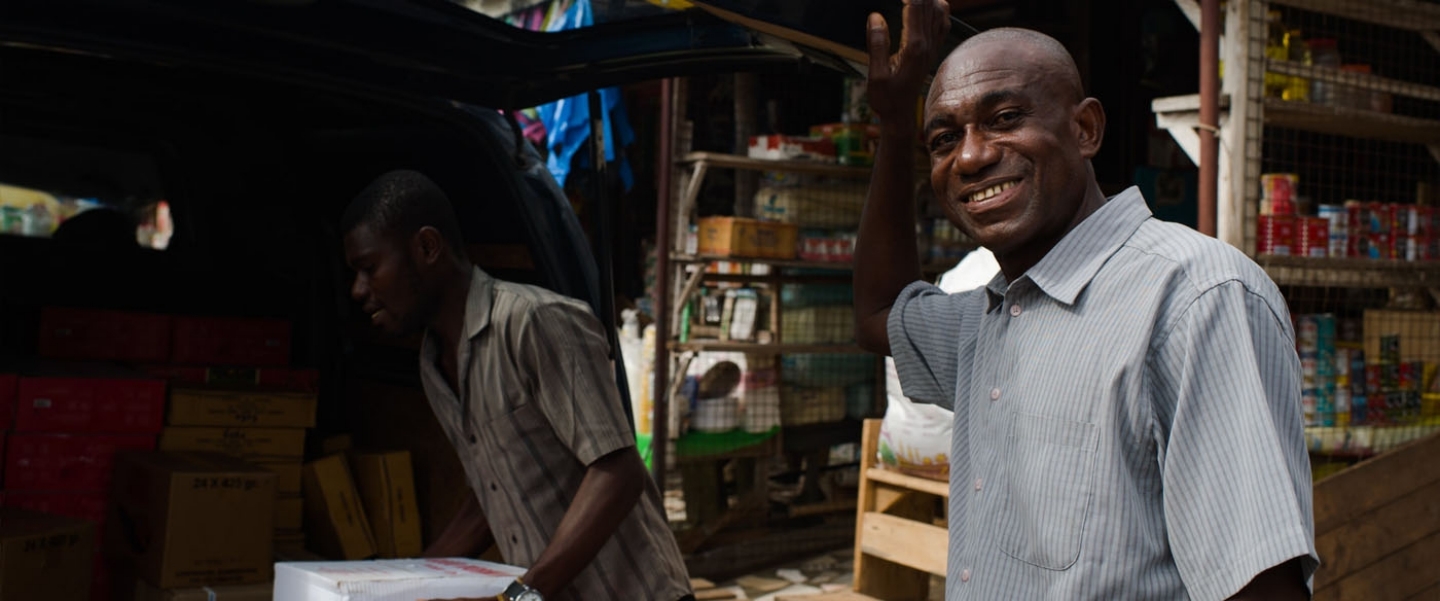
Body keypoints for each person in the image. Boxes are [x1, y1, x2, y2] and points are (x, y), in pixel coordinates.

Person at [853, 3, 1318, 599]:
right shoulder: (985, 319)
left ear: (1085, 130)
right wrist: (895, 126)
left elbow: (1260, 587)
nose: (970, 157)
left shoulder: (1192, 299)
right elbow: (876, 315)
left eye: (1005, 117)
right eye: (944, 138)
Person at [341, 169, 694, 601]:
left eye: (369, 267)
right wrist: (406, 580)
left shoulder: (535, 322)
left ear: (427, 247)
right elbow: (493, 493)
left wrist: (523, 595)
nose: (358, 290)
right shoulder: (433, 365)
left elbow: (617, 472)